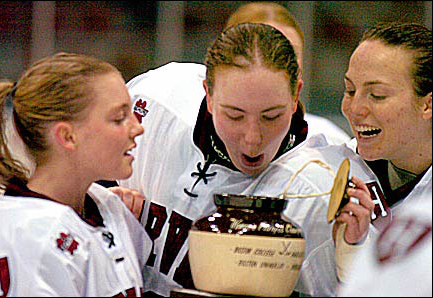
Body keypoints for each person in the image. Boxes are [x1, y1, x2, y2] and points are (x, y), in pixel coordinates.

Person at [119, 23, 375, 297]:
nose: (252, 138)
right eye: (235, 115)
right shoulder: (155, 100)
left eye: (271, 116)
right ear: (209, 94)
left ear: (295, 96)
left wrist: (355, 255)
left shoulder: (319, 186)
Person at [0, 52, 152, 296]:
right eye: (119, 118)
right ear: (67, 136)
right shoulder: (25, 235)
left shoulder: (109, 206)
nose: (137, 128)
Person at [336, 21, 432, 295]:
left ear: (428, 104)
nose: (355, 109)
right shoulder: (329, 167)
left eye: (376, 95)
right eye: (350, 90)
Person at [225, 1, 352, 145]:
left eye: (292, 53)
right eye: (269, 52)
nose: (285, 65)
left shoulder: (329, 141)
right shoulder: (198, 134)